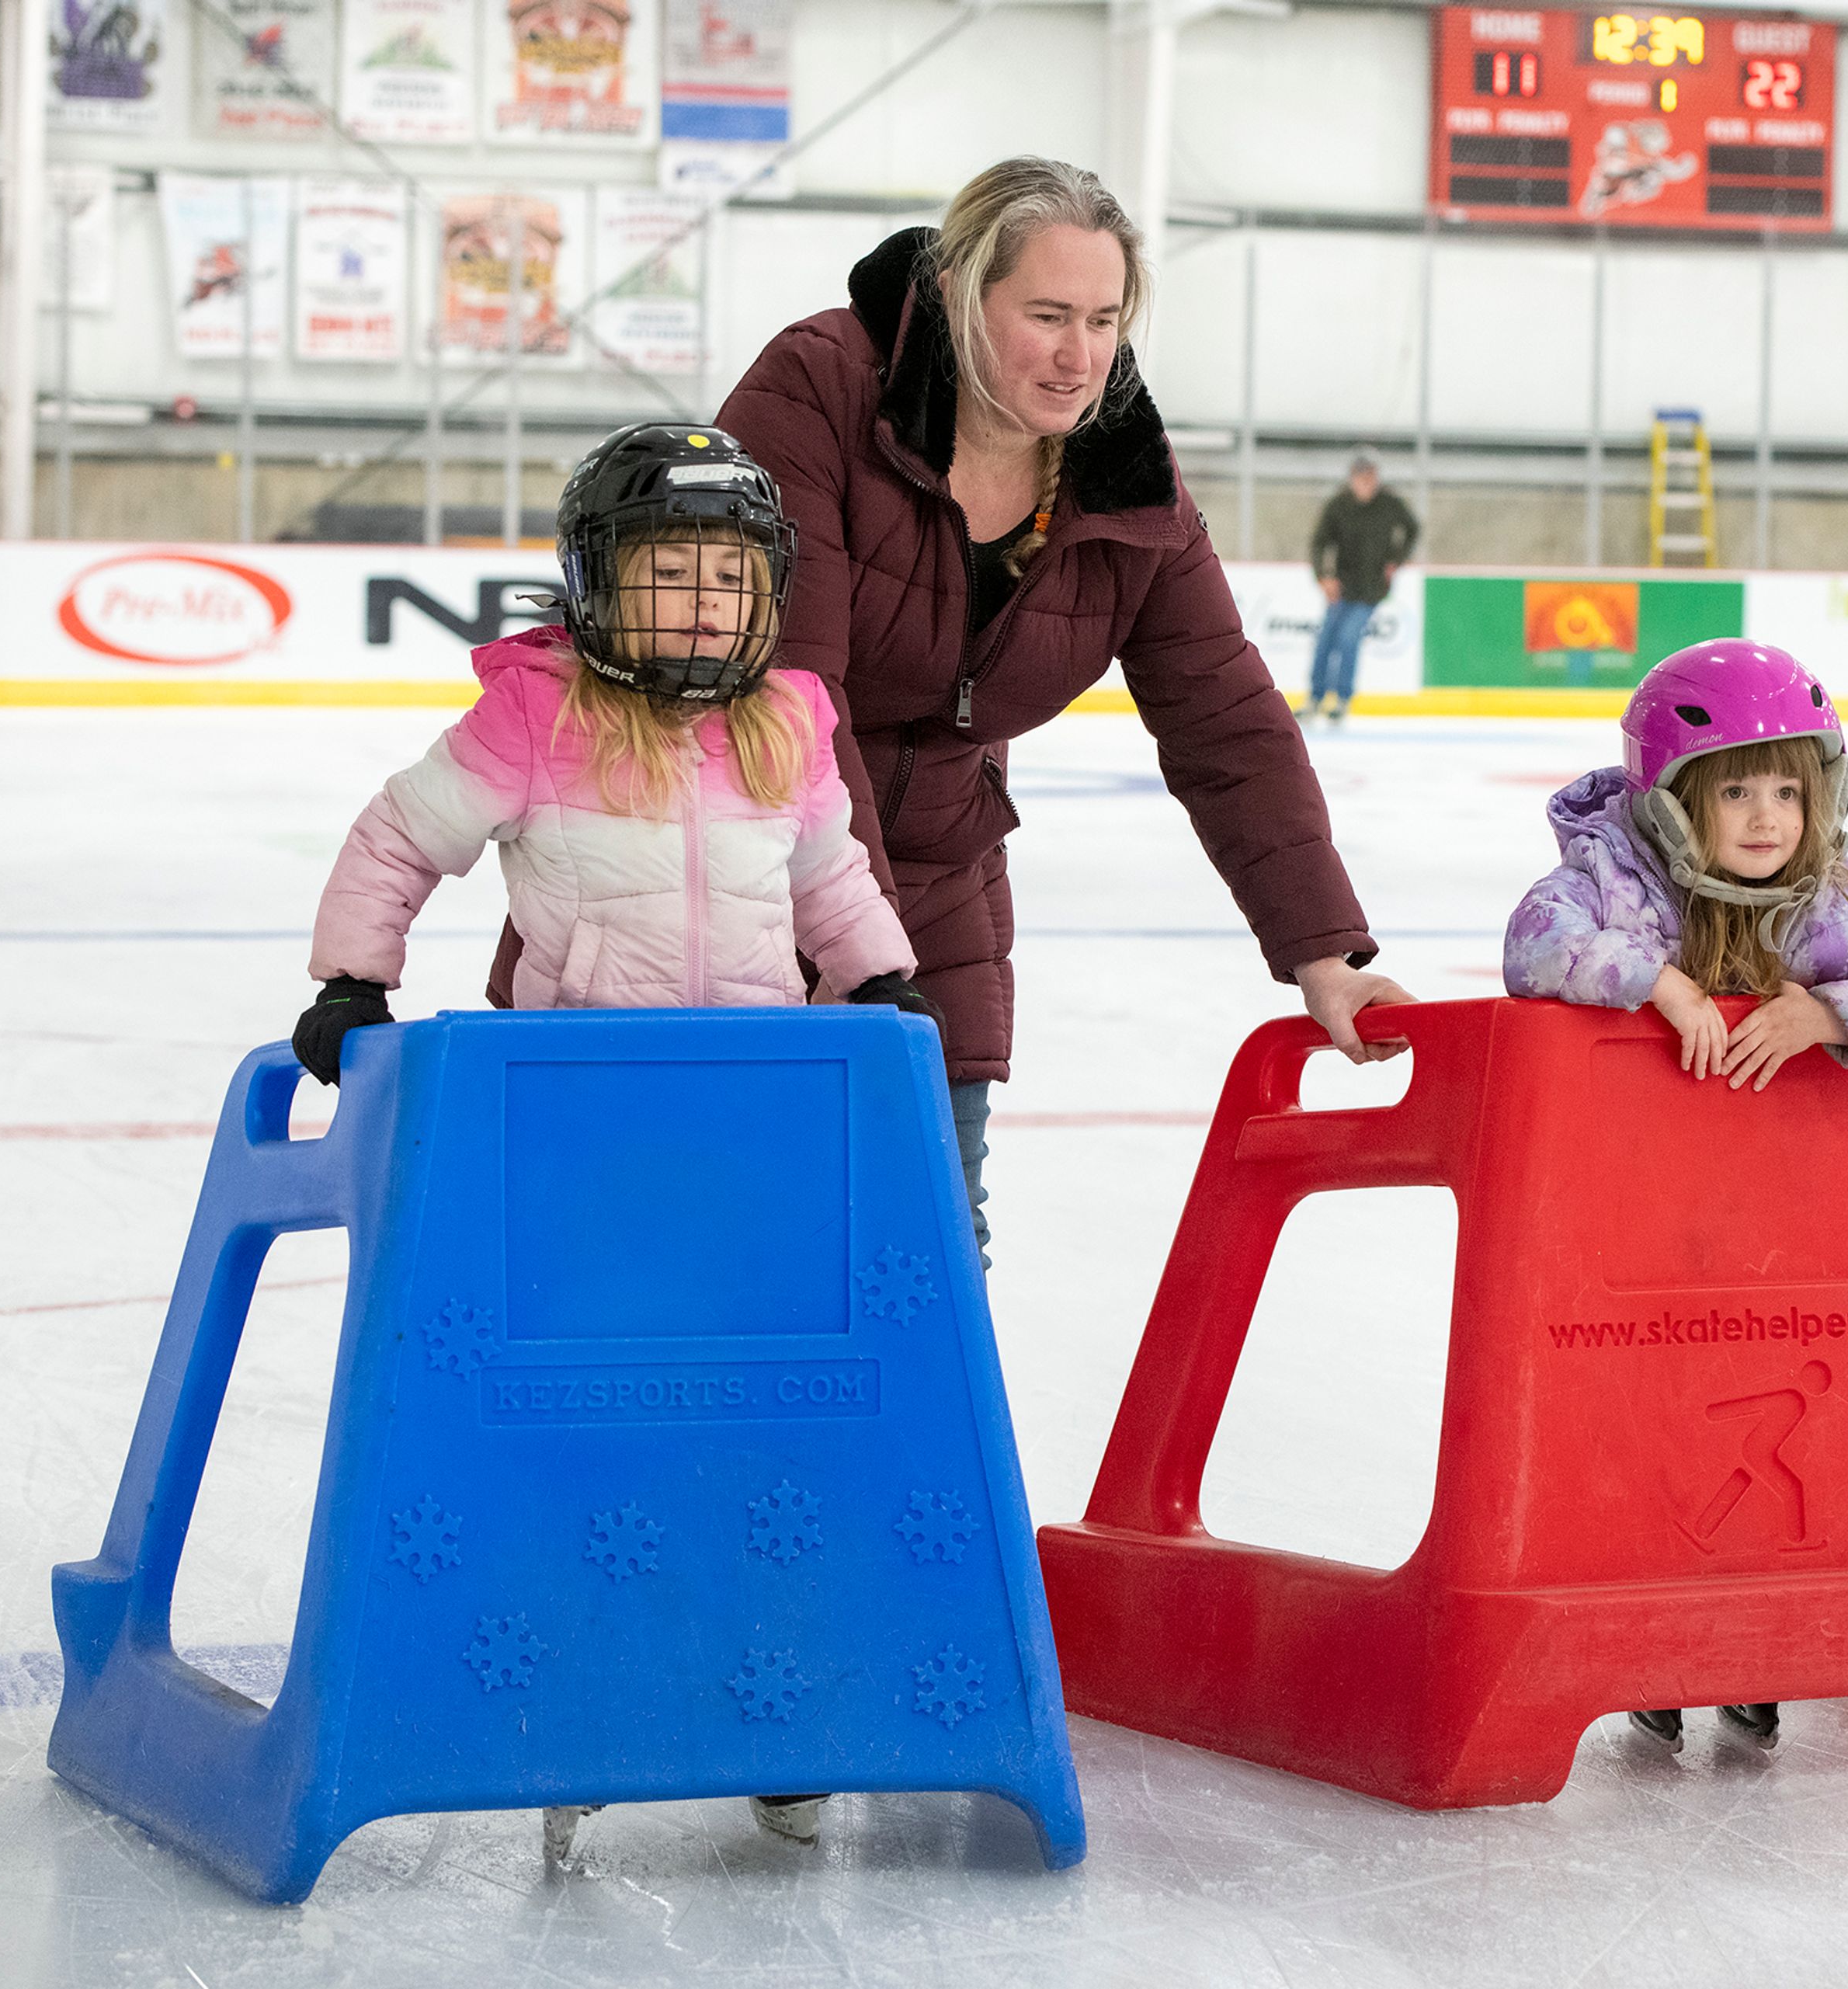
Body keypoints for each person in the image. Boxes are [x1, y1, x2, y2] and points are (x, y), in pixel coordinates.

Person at [485, 158, 1411, 1247]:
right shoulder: (822, 387)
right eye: (1048, 315)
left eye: (1106, 319)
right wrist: (845, 947)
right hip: (700, 881)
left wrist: (1325, 953)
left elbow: (1226, 716)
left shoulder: (1126, 482)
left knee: (921, 1263)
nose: (1080, 356)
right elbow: (789, 690)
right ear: (970, 297)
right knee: (641, 1262)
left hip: (935, 905)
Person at [290, 423, 929, 1858]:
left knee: (771, 1418)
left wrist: (882, 981)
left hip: (756, 1121)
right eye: (668, 573)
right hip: (578, 1123)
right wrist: (354, 978)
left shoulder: (788, 723)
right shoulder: (539, 718)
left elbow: (828, 875)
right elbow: (400, 839)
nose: (704, 604)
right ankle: (587, 1699)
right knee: (602, 1423)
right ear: (592, 585)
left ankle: (776, 1705)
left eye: (729, 576)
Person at [1499, 637, 1848, 1755]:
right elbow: (1534, 943)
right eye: (1736, 792)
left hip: (1762, 1237)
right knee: (1645, 1420)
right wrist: (1654, 980)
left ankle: (1746, 1643)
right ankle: (1648, 1643)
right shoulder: (1617, 880)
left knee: (1757, 1425)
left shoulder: (1823, 904)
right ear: (1670, 806)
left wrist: (1831, 1013)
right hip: (1626, 1220)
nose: (1766, 819)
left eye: (1790, 791)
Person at [1305, 447, 1417, 725]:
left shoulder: (1390, 504)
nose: (1367, 482)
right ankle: (1315, 698)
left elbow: (1412, 529)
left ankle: (1342, 699)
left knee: (1348, 638)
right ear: (1352, 478)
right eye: (1361, 476)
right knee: (1327, 639)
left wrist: (1396, 560)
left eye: (1371, 476)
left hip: (1372, 588)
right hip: (1342, 586)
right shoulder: (1338, 506)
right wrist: (1324, 576)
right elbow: (1319, 543)